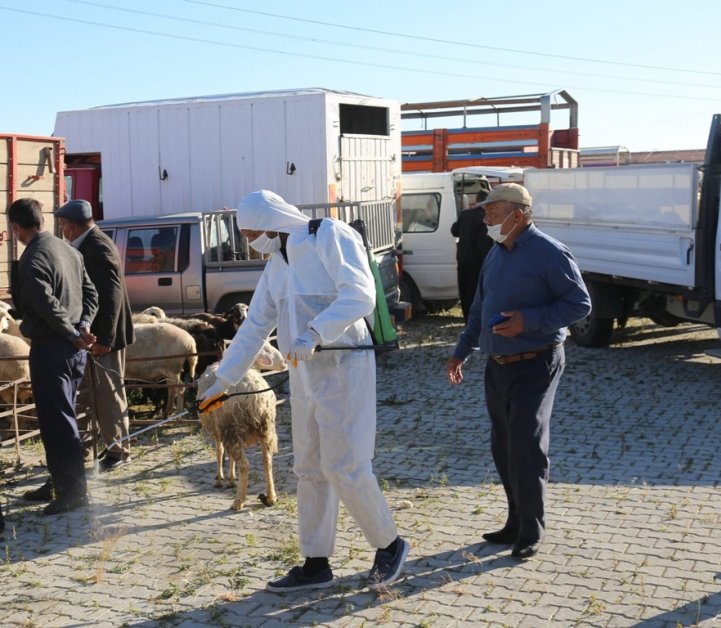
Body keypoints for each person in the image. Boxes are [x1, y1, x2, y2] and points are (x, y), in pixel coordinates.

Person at [198, 190, 409, 592]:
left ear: (272, 220)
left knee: (345, 464)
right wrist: (222, 383)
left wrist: (314, 332)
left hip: (345, 367)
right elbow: (254, 327)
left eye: (251, 233)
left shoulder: (328, 235)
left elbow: (360, 294)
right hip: (306, 376)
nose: (250, 243)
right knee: (310, 467)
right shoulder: (278, 265)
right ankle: (316, 562)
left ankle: (390, 545)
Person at [445, 183, 591, 559]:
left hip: (537, 362)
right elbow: (479, 308)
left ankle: (531, 529)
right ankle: (515, 520)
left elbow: (580, 303)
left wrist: (529, 320)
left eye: (493, 213)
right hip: (498, 365)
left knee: (526, 445)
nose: (487, 219)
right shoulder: (496, 252)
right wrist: (461, 352)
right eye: (487, 213)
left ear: (519, 215)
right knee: (503, 445)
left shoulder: (550, 253)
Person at [7, 198, 98, 515]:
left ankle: (73, 492)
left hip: (52, 349)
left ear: (17, 228)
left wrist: (73, 333)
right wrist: (83, 325)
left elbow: (47, 307)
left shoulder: (32, 260)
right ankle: (60, 482)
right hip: (74, 351)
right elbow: (91, 294)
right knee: (65, 415)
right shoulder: (69, 250)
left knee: (58, 422)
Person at [55, 199, 135, 471]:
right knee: (96, 393)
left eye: (63, 225)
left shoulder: (97, 247)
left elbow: (110, 295)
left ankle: (119, 451)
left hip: (103, 338)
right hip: (95, 335)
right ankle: (103, 449)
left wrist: (105, 339)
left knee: (109, 393)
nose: (62, 230)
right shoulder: (90, 243)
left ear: (71, 225)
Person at [451, 189, 493, 322]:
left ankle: (467, 320)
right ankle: (476, 322)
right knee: (478, 294)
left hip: (463, 261)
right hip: (478, 263)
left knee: (465, 293)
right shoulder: (485, 218)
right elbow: (483, 244)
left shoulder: (465, 214)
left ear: (477, 200)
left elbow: (454, 231)